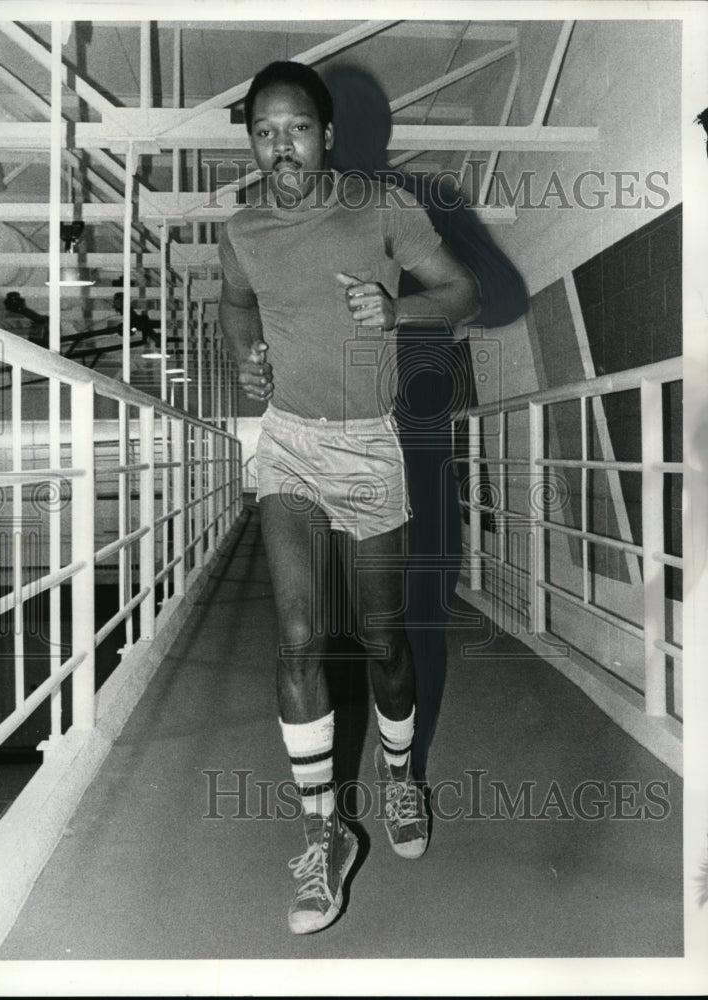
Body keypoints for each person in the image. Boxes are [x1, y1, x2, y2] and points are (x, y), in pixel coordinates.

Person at [218, 61, 480, 935]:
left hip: (369, 445)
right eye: (263, 131)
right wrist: (244, 354)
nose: (279, 146)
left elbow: (463, 291)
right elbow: (235, 302)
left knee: (381, 638)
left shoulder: (383, 206)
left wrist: (394, 310)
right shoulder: (243, 226)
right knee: (296, 636)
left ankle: (401, 780)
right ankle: (324, 836)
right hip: (289, 440)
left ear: (326, 133)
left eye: (295, 128)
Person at [324, 66, 529, 783]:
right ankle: (343, 775)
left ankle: (402, 770)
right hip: (330, 435)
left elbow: (497, 297)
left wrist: (403, 302)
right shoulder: (292, 222)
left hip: (415, 429)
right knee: (338, 612)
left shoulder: (424, 199)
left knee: (410, 609)